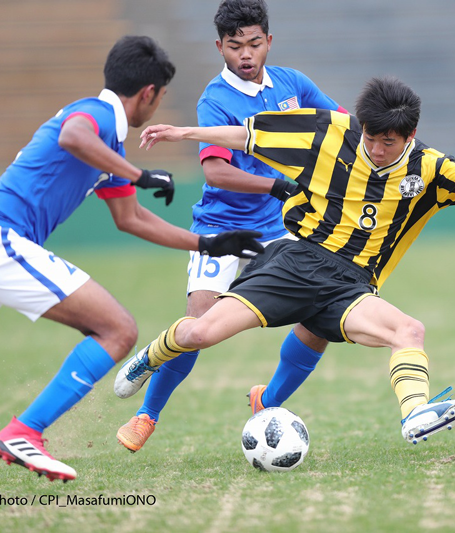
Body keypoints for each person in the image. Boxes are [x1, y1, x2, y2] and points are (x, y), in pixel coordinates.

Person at [120, 76, 455, 445]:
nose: (377, 149)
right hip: (296, 261)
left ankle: (415, 414)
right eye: (372, 138)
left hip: (352, 286)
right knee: (201, 331)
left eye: (389, 142)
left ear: (411, 135)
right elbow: (246, 135)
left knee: (409, 331)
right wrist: (184, 132)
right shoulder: (328, 131)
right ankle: (151, 356)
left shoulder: (430, 168)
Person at [0, 35, 264, 482]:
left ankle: (25, 431)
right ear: (149, 94)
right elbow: (73, 136)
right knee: (118, 330)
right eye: (159, 99)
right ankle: (25, 431)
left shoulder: (109, 143)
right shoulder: (96, 117)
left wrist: (210, 245)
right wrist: (139, 173)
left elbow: (132, 219)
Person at [114, 0, 348, 453]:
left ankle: (270, 398)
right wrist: (278, 185)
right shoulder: (214, 99)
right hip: (221, 229)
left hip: (278, 231)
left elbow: (340, 126)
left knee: (324, 310)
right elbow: (216, 173)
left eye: (254, 44)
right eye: (235, 46)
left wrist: (385, 135)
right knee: (199, 325)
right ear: (219, 46)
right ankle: (147, 414)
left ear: (268, 43)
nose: (245, 54)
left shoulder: (293, 84)